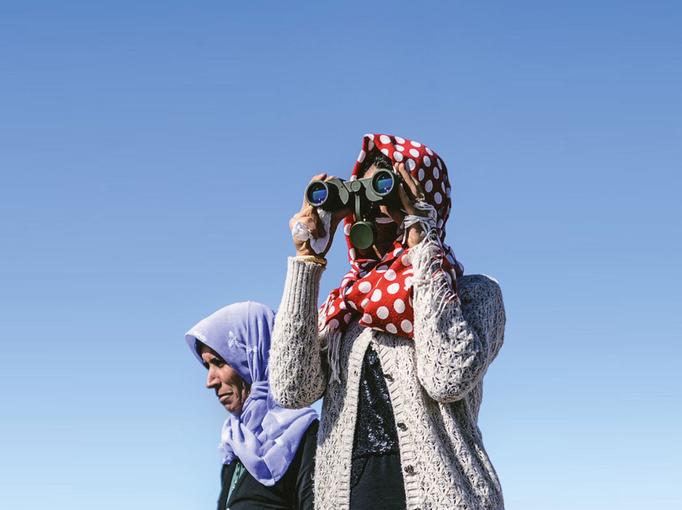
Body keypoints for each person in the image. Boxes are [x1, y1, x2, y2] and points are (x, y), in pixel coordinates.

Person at [271, 134, 506, 510]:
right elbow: (291, 390)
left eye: (385, 189)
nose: (374, 212)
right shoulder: (345, 309)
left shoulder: (473, 295)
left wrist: (422, 244)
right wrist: (306, 262)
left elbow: (446, 378)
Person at [185, 301, 320, 510]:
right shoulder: (234, 445)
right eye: (207, 366)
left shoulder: (305, 437)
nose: (210, 381)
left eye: (219, 363)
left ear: (254, 358)